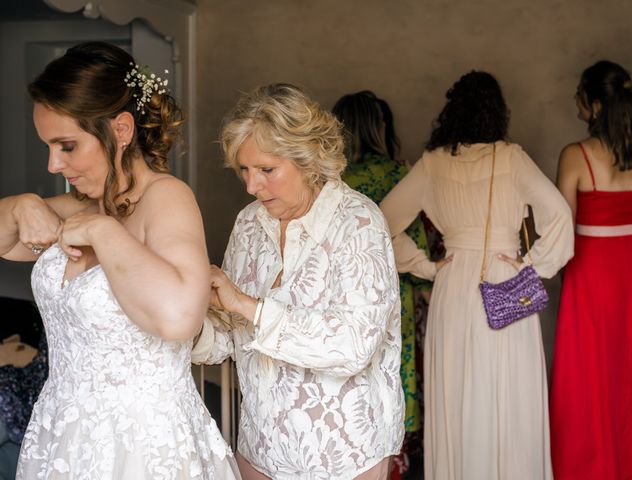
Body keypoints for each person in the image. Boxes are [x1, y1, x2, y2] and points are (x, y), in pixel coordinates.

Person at [0, 42, 239, 479]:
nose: (53, 164)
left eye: (66, 146)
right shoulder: (83, 203)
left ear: (122, 129)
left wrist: (102, 231)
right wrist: (21, 204)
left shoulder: (166, 199)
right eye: (49, 147)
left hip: (143, 446)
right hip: (62, 438)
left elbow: (178, 318)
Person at [191, 83, 404, 479]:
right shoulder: (249, 223)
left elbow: (355, 345)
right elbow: (230, 336)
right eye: (244, 170)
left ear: (308, 159)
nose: (252, 186)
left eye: (267, 170)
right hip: (262, 448)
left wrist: (246, 305)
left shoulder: (358, 222)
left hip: (344, 451)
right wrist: (184, 315)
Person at [380, 71, 574, 480]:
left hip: (453, 283)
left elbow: (381, 225)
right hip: (507, 281)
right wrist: (532, 268)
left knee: (458, 388)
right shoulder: (513, 158)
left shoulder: (432, 165)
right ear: (496, 113)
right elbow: (559, 216)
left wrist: (425, 267)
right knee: (509, 391)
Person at [332, 90, 431, 477]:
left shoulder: (330, 180)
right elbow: (417, 245)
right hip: (391, 298)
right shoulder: (395, 175)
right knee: (393, 379)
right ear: (378, 127)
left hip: (337, 298)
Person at [550, 60, 632, 479]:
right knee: (631, 368)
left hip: (591, 274)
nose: (575, 103)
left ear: (596, 105)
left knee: (589, 375)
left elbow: (561, 231)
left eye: (580, 96)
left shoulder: (576, 156)